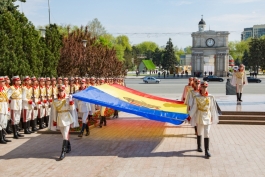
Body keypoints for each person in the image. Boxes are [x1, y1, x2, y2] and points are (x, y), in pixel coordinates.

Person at [189, 81, 219, 159]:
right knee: (199, 132)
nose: (204, 88)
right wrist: (189, 116)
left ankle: (207, 151)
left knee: (207, 133)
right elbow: (194, 108)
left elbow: (212, 107)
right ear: (200, 87)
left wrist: (212, 116)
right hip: (200, 116)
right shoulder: (197, 97)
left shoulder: (210, 97)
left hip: (207, 116)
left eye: (206, 87)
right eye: (203, 87)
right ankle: (199, 146)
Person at [51, 84, 75, 160]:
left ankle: (63, 152)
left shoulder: (68, 98)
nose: (61, 92)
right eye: (60, 90)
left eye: (62, 90)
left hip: (67, 117)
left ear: (64, 90)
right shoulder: (55, 100)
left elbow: (72, 109)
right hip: (60, 118)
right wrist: (54, 120)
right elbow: (54, 111)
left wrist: (71, 102)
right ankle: (68, 145)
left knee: (65, 134)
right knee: (63, 134)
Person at [0, 76, 11, 144]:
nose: (4, 82)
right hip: (0, 106)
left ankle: (3, 137)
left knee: (4, 122)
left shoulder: (4, 89)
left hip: (4, 106)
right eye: (2, 81)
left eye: (4, 81)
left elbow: (7, 98)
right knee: (0, 123)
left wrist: (7, 106)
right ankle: (0, 138)